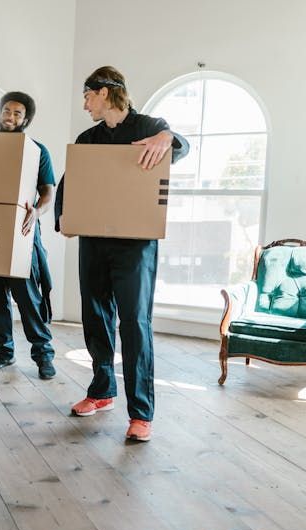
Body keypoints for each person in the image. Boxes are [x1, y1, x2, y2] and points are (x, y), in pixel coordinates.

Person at [54, 66, 189, 442]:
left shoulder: (150, 127)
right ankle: (101, 392)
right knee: (95, 317)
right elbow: (70, 181)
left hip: (135, 246)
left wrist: (167, 137)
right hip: (94, 242)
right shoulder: (88, 137)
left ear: (105, 92)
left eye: (87, 96)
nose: (85, 105)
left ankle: (141, 413)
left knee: (134, 323)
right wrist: (63, 217)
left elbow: (182, 145)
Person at [0, 91, 57, 380]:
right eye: (7, 110)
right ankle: (2, 351)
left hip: (22, 231)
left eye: (18, 113)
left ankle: (43, 354)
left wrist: (37, 213)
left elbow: (48, 192)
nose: (11, 116)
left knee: (28, 297)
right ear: (0, 112)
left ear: (25, 119)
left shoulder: (36, 151)